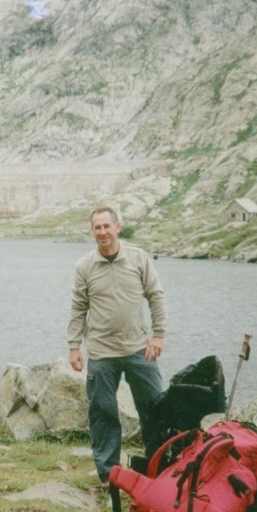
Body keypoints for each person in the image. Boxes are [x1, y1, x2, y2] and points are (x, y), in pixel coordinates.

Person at [67, 206, 167, 487]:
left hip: (139, 350)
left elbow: (156, 296)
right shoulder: (84, 266)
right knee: (102, 413)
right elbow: (78, 308)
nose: (102, 232)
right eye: (96, 228)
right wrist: (74, 346)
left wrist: (158, 336)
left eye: (106, 226)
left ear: (117, 226)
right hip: (101, 353)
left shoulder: (138, 258)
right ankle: (108, 475)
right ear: (92, 231)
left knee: (154, 410)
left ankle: (159, 468)